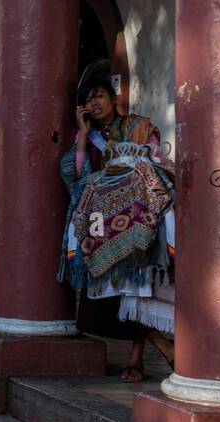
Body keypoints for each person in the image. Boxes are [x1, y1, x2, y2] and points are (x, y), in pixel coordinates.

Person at [59, 71, 175, 381]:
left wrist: (130, 165)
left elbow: (158, 162)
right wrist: (83, 134)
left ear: (113, 98)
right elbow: (78, 176)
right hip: (104, 219)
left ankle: (137, 360)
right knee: (117, 290)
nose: (94, 103)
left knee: (140, 286)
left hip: (139, 210)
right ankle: (160, 344)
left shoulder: (138, 127)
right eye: (87, 101)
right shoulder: (89, 136)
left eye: (98, 95)